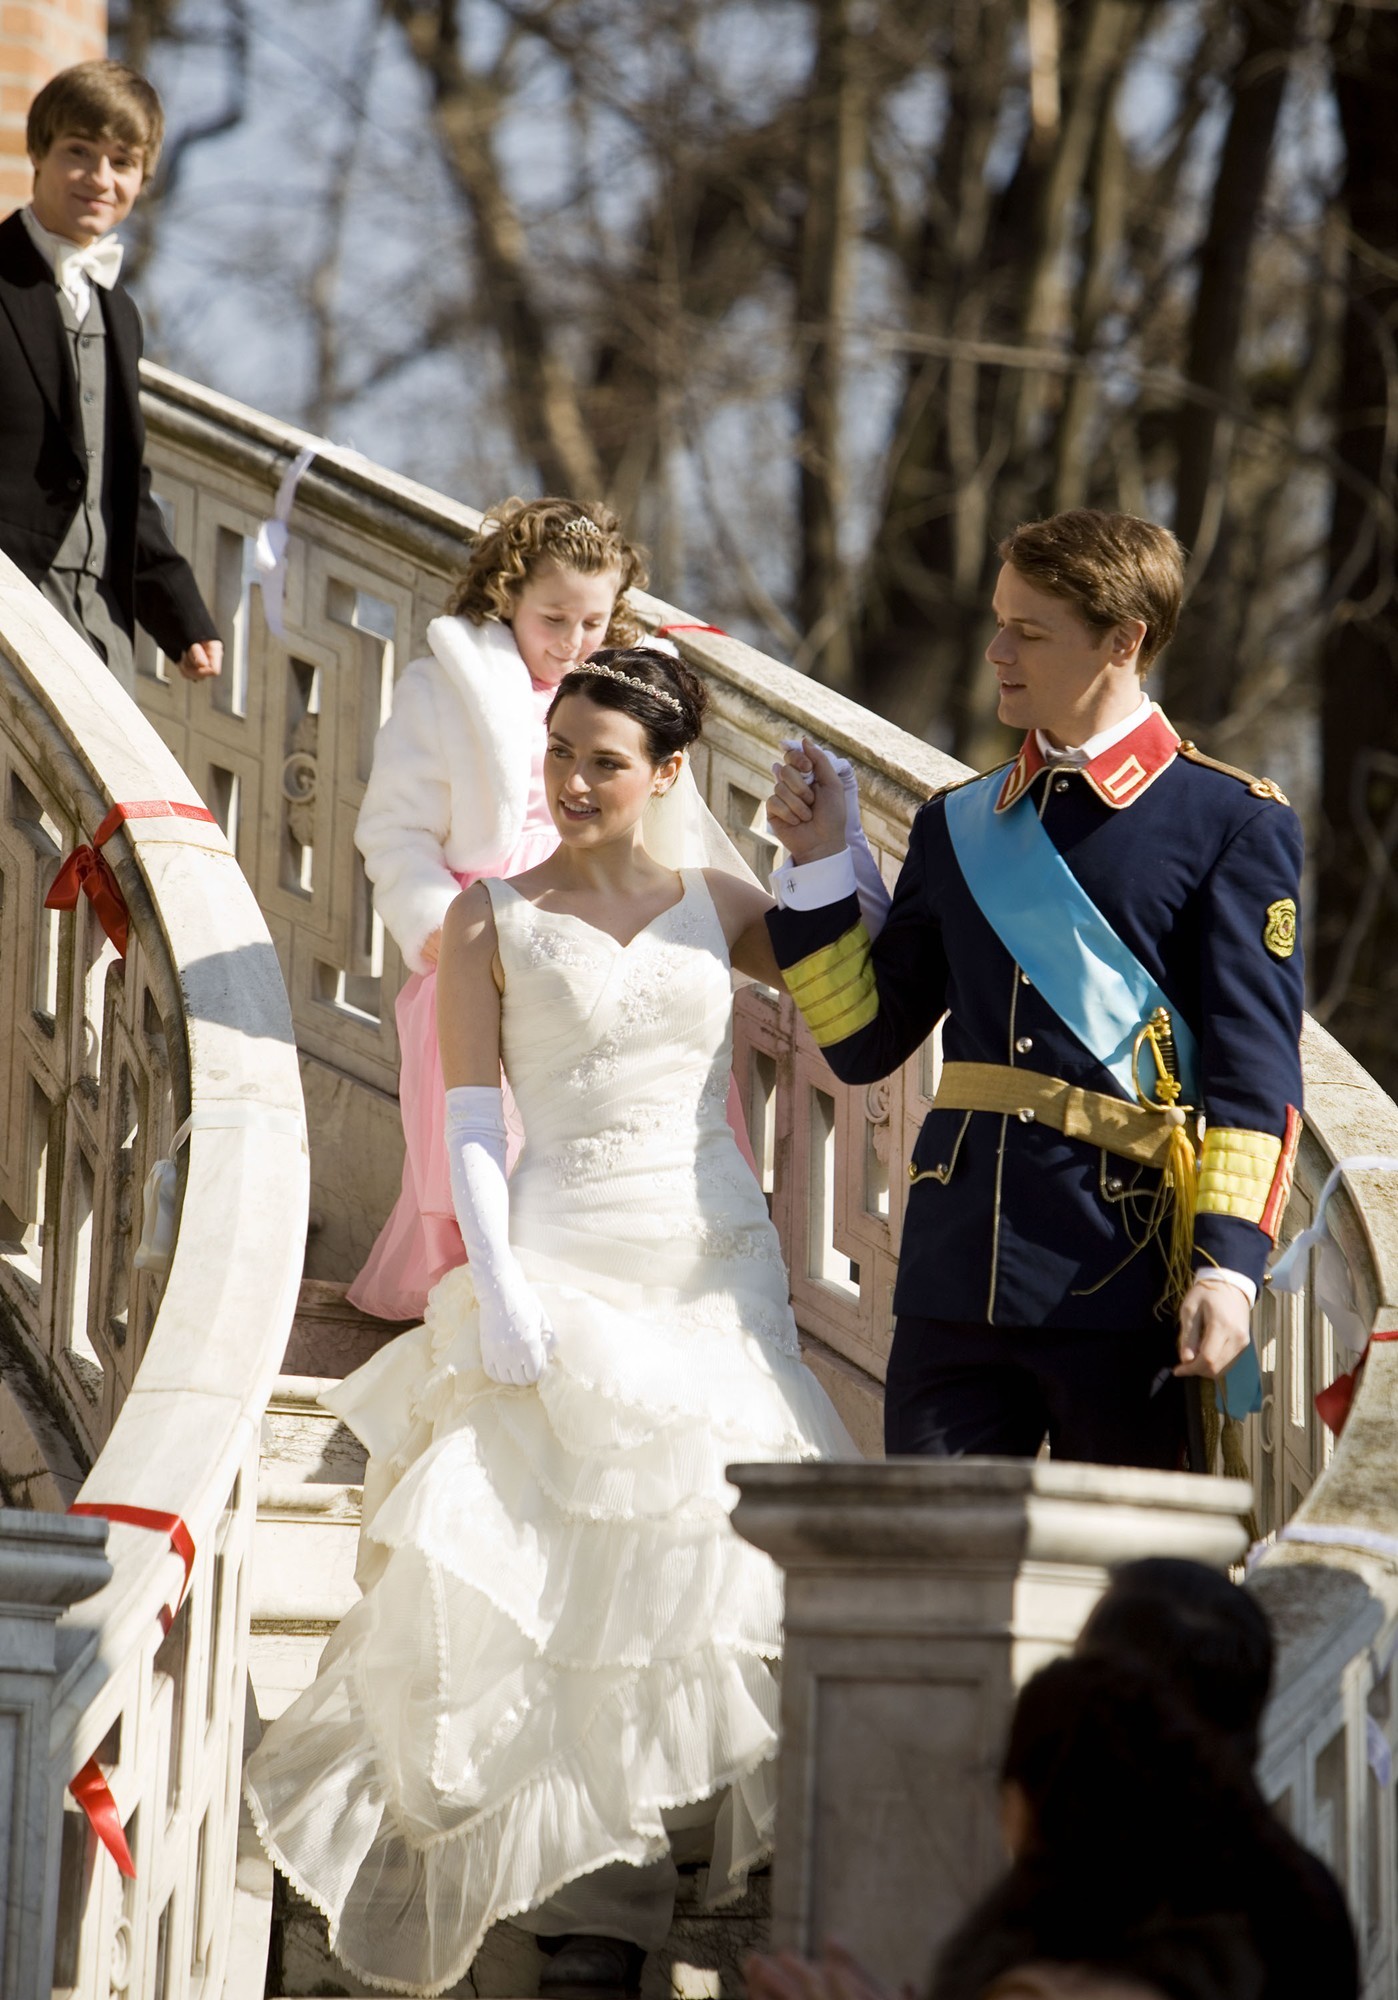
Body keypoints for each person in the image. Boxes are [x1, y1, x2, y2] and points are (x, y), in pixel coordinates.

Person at [245, 646, 856, 1998]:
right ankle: (600, 1897)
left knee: (687, 1560)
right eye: (560, 755)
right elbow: (467, 1120)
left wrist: (832, 854)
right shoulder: (489, 919)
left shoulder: (724, 901)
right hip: (564, 1256)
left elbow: (847, 1000)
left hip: (712, 1262)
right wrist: (506, 1283)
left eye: (605, 762)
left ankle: (639, 1850)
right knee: (555, 1570)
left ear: (668, 775)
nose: (573, 783)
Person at [765, 509, 1305, 1468]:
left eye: (1029, 630)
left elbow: (1256, 1079)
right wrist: (814, 874)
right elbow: (865, 1041)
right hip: (952, 1273)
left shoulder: (1228, 821)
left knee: (1123, 1593)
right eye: (998, 621)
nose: (994, 650)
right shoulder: (958, 822)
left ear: (1122, 641)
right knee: (939, 1580)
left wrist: (1228, 1271)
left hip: (1128, 1277)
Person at [0, 61, 221, 693]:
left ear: (143, 179)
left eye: (122, 162)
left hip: (100, 619)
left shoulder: (119, 311)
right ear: (37, 152)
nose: (100, 178)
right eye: (79, 151)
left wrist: (180, 614)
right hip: (12, 602)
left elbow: (120, 483)